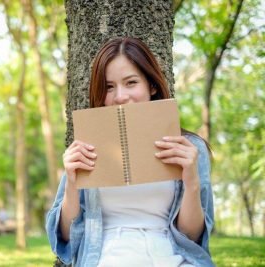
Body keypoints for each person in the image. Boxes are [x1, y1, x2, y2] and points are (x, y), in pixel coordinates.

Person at [46, 37, 214, 267]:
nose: (120, 96)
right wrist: (72, 182)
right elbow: (66, 238)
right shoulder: (87, 146)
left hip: (173, 257)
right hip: (106, 257)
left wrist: (191, 180)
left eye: (131, 82)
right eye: (109, 87)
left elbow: (192, 237)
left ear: (151, 85)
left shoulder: (189, 147)